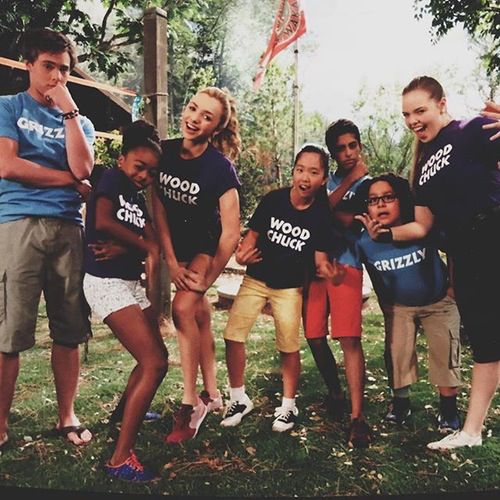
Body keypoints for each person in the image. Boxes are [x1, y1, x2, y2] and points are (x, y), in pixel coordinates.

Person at [356, 76, 499, 450]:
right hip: (465, 255)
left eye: (420, 110)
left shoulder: (472, 130)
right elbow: (422, 225)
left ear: (441, 103)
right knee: (487, 344)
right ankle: (471, 432)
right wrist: (382, 235)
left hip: (493, 234)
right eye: (406, 115)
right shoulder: (421, 167)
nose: (413, 120)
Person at [0, 28, 95, 450]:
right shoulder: (7, 107)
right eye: (48, 67)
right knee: (10, 331)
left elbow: (85, 168)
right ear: (28, 65)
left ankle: (66, 415)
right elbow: (8, 166)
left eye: (65, 69)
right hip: (18, 222)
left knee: (69, 326)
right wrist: (68, 180)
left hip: (68, 228)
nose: (58, 76)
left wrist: (70, 111)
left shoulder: (81, 121)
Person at [221, 143, 339, 433]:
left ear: (323, 178)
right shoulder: (273, 200)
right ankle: (238, 398)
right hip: (256, 279)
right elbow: (248, 243)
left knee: (288, 345)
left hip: (289, 287)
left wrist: (328, 271)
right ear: (293, 171)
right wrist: (241, 255)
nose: (305, 177)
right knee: (232, 335)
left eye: (313, 172)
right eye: (300, 170)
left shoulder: (321, 216)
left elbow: (321, 260)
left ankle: (288, 406)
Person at [152, 86, 241, 444]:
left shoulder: (220, 169)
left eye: (207, 117)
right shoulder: (165, 151)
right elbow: (157, 205)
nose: (195, 119)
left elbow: (230, 233)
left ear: (216, 128)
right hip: (176, 247)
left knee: (184, 306)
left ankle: (191, 404)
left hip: (205, 246)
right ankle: (215, 394)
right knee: (198, 315)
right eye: (193, 109)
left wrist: (208, 279)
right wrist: (170, 262)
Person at [83, 120, 168, 481]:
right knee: (155, 363)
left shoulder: (135, 195)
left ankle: (124, 414)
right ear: (122, 160)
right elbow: (101, 218)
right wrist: (142, 246)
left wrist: (134, 245)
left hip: (129, 281)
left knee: (153, 356)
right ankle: (119, 458)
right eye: (139, 166)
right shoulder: (112, 181)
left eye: (151, 172)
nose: (144, 175)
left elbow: (153, 241)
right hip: (105, 282)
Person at [354, 174, 461, 432]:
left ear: (401, 200)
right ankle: (400, 404)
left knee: (445, 351)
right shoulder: (364, 242)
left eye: (388, 197)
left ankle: (448, 410)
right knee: (397, 353)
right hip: (398, 306)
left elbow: (454, 247)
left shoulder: (419, 226)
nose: (380, 204)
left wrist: (453, 287)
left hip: (439, 302)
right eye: (373, 200)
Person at [302, 119, 372, 448]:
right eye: (340, 148)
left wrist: (340, 203)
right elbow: (320, 212)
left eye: (352, 146)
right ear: (332, 152)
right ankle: (335, 393)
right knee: (314, 336)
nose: (347, 153)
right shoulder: (324, 180)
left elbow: (350, 221)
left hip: (345, 265)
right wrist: (341, 195)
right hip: (316, 268)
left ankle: (358, 418)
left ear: (359, 146)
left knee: (348, 339)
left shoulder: (368, 184)